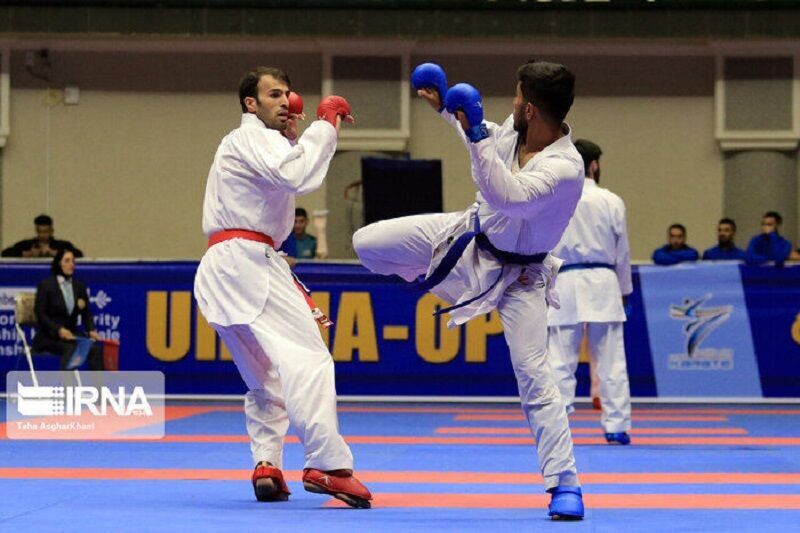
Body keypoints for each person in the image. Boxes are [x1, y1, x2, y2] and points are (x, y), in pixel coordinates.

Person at [354, 60, 585, 520]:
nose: (512, 104)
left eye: (518, 98)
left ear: (533, 108)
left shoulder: (566, 167)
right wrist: (448, 112)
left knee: (536, 377)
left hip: (522, 279)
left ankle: (565, 483)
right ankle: (429, 278)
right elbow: (480, 140)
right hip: (468, 240)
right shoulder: (509, 136)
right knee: (368, 244)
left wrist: (477, 130)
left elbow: (509, 198)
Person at [193, 67, 371, 508]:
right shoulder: (251, 135)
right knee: (309, 358)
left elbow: (283, 175)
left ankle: (267, 464)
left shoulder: (253, 142)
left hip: (221, 267)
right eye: (274, 94)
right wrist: (325, 124)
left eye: (288, 94)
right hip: (248, 261)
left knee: (265, 378)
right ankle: (328, 466)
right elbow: (300, 178)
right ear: (250, 104)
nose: (285, 101)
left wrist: (294, 138)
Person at [546, 139, 632, 446]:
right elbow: (622, 253)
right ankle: (616, 426)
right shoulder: (611, 200)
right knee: (610, 360)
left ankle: (556, 427)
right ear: (594, 164)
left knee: (559, 360)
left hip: (564, 280)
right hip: (603, 281)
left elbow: (544, 248)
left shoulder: (555, 199)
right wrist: (625, 291)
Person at [33, 248, 103, 370]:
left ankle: (99, 388)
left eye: (73, 261)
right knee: (71, 349)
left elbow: (86, 313)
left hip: (71, 335)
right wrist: (58, 329)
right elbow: (41, 314)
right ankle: (67, 387)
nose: (71, 264)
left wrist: (91, 329)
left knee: (95, 349)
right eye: (67, 261)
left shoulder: (79, 287)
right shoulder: (46, 286)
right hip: (49, 336)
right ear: (59, 263)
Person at [2, 214, 83, 258]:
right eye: (39, 232)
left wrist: (57, 254)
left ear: (51, 231)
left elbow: (79, 254)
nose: (42, 235)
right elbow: (5, 253)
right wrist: (27, 254)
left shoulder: (61, 245)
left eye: (45, 232)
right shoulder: (27, 245)